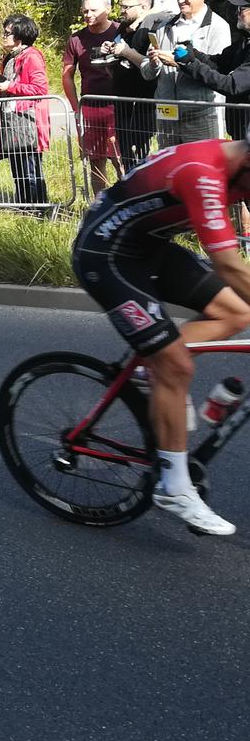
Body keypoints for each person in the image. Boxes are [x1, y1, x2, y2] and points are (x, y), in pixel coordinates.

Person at [70, 130, 250, 536]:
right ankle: (174, 487)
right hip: (107, 255)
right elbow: (230, 267)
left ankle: (145, 368)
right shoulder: (203, 172)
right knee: (176, 367)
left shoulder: (238, 166)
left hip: (148, 247)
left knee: (236, 314)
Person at [140, 0, 233, 147]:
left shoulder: (218, 27)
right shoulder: (164, 27)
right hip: (167, 115)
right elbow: (147, 72)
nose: (181, 0)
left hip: (203, 115)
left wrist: (180, 64)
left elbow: (219, 73)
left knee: (203, 167)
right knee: (171, 170)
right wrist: (153, 63)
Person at [0, 14, 50, 204]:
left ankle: (38, 209)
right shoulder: (9, 58)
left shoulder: (32, 56)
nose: (3, 36)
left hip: (28, 123)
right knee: (18, 172)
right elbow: (10, 89)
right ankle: (24, 209)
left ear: (20, 36)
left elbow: (40, 89)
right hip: (12, 121)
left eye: (7, 33)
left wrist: (8, 86)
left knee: (30, 172)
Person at [170, 0, 250, 143]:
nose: (238, 13)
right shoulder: (244, 42)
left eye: (243, 8)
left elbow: (232, 85)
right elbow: (218, 64)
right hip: (241, 131)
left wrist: (191, 63)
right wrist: (193, 52)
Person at [62, 0, 122, 194]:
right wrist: (75, 107)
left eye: (93, 10)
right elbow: (67, 75)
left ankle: (129, 203)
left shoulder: (121, 31)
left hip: (118, 106)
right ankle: (99, 205)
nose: (88, 14)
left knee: (119, 157)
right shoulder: (76, 39)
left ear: (108, 9)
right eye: (85, 11)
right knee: (95, 160)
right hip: (89, 107)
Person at [104, 0, 160, 168]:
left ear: (143, 7)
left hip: (145, 103)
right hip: (121, 99)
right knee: (126, 156)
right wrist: (107, 51)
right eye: (121, 6)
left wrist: (127, 52)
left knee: (145, 157)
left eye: (126, 7)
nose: (122, 11)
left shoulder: (152, 28)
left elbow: (152, 64)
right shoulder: (122, 27)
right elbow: (116, 52)